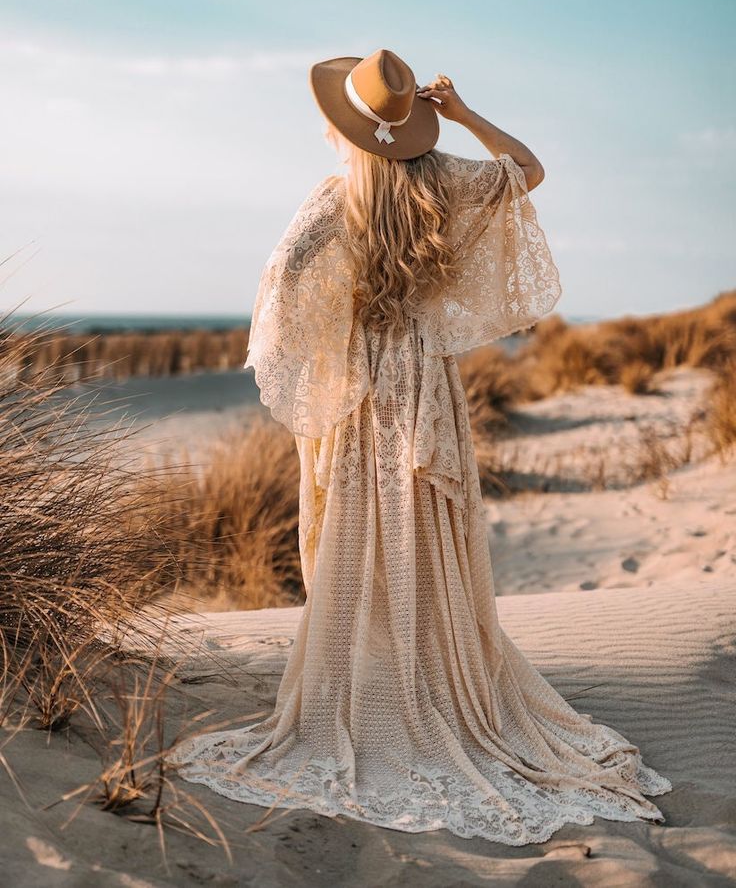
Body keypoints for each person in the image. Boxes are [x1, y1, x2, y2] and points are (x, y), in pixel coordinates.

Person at [171, 48, 672, 845]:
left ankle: (385, 687)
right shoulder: (444, 183)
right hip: (429, 383)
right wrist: (467, 114)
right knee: (426, 531)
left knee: (368, 530)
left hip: (367, 389)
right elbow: (529, 168)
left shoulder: (335, 199)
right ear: (414, 125)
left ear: (348, 128)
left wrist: (328, 353)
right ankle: (434, 678)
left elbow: (279, 290)